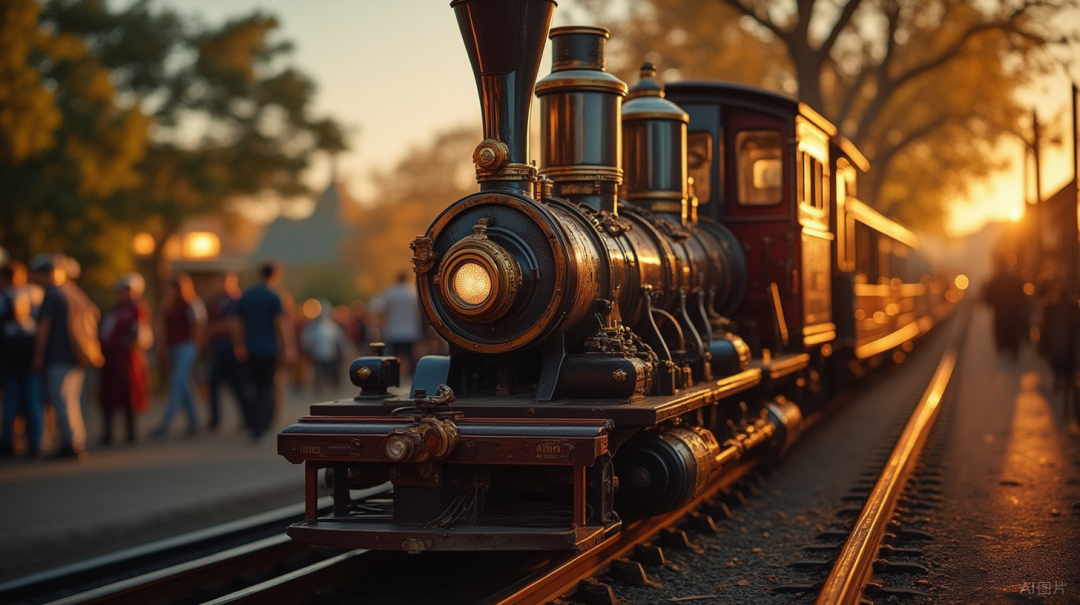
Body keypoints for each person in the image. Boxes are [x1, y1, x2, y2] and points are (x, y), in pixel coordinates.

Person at [31, 253, 102, 460]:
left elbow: (44, 327)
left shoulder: (52, 294)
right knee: (72, 399)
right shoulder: (75, 292)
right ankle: (76, 440)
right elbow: (94, 315)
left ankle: (70, 443)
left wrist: (38, 355)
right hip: (78, 354)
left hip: (59, 355)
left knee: (60, 399)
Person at [234, 262, 296, 442]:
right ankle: (262, 427)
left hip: (250, 349)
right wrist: (288, 347)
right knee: (266, 389)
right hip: (269, 349)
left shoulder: (246, 295)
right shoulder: (274, 295)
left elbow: (237, 323)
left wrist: (238, 344)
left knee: (254, 388)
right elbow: (280, 323)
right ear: (275, 275)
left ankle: (254, 424)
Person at [152, 273, 206, 437]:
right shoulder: (168, 305)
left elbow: (198, 326)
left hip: (186, 347)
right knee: (184, 385)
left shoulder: (192, 304)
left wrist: (197, 348)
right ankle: (194, 423)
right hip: (172, 347)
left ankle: (165, 423)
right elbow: (162, 326)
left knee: (176, 383)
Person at [0, 262, 44, 457]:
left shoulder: (34, 294)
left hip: (27, 358)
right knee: (12, 403)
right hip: (12, 359)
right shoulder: (31, 294)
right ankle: (11, 441)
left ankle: (33, 442)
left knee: (31, 402)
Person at [206, 272, 246, 430]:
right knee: (213, 383)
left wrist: (213, 329)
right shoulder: (216, 301)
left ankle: (248, 417)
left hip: (230, 347)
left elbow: (232, 324)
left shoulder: (236, 301)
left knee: (237, 385)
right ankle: (215, 419)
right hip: (218, 347)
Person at [374, 272, 423, 374]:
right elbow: (419, 313)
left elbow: (382, 312)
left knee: (393, 359)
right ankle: (412, 377)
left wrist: (382, 328)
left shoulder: (389, 293)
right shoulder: (412, 293)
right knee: (411, 357)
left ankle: (394, 376)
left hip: (393, 332)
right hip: (410, 331)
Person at [301, 299, 350, 396]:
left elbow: (340, 340)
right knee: (321, 373)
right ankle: (323, 389)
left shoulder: (328, 326)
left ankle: (331, 388)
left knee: (327, 373)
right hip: (321, 354)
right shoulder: (323, 326)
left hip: (328, 354)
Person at [983, 262, 1028, 359]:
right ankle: (1014, 350)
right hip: (1014, 312)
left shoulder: (995, 281)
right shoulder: (1016, 280)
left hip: (1000, 312)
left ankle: (1003, 348)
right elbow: (1023, 297)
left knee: (1001, 330)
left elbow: (988, 297)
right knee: (1013, 331)